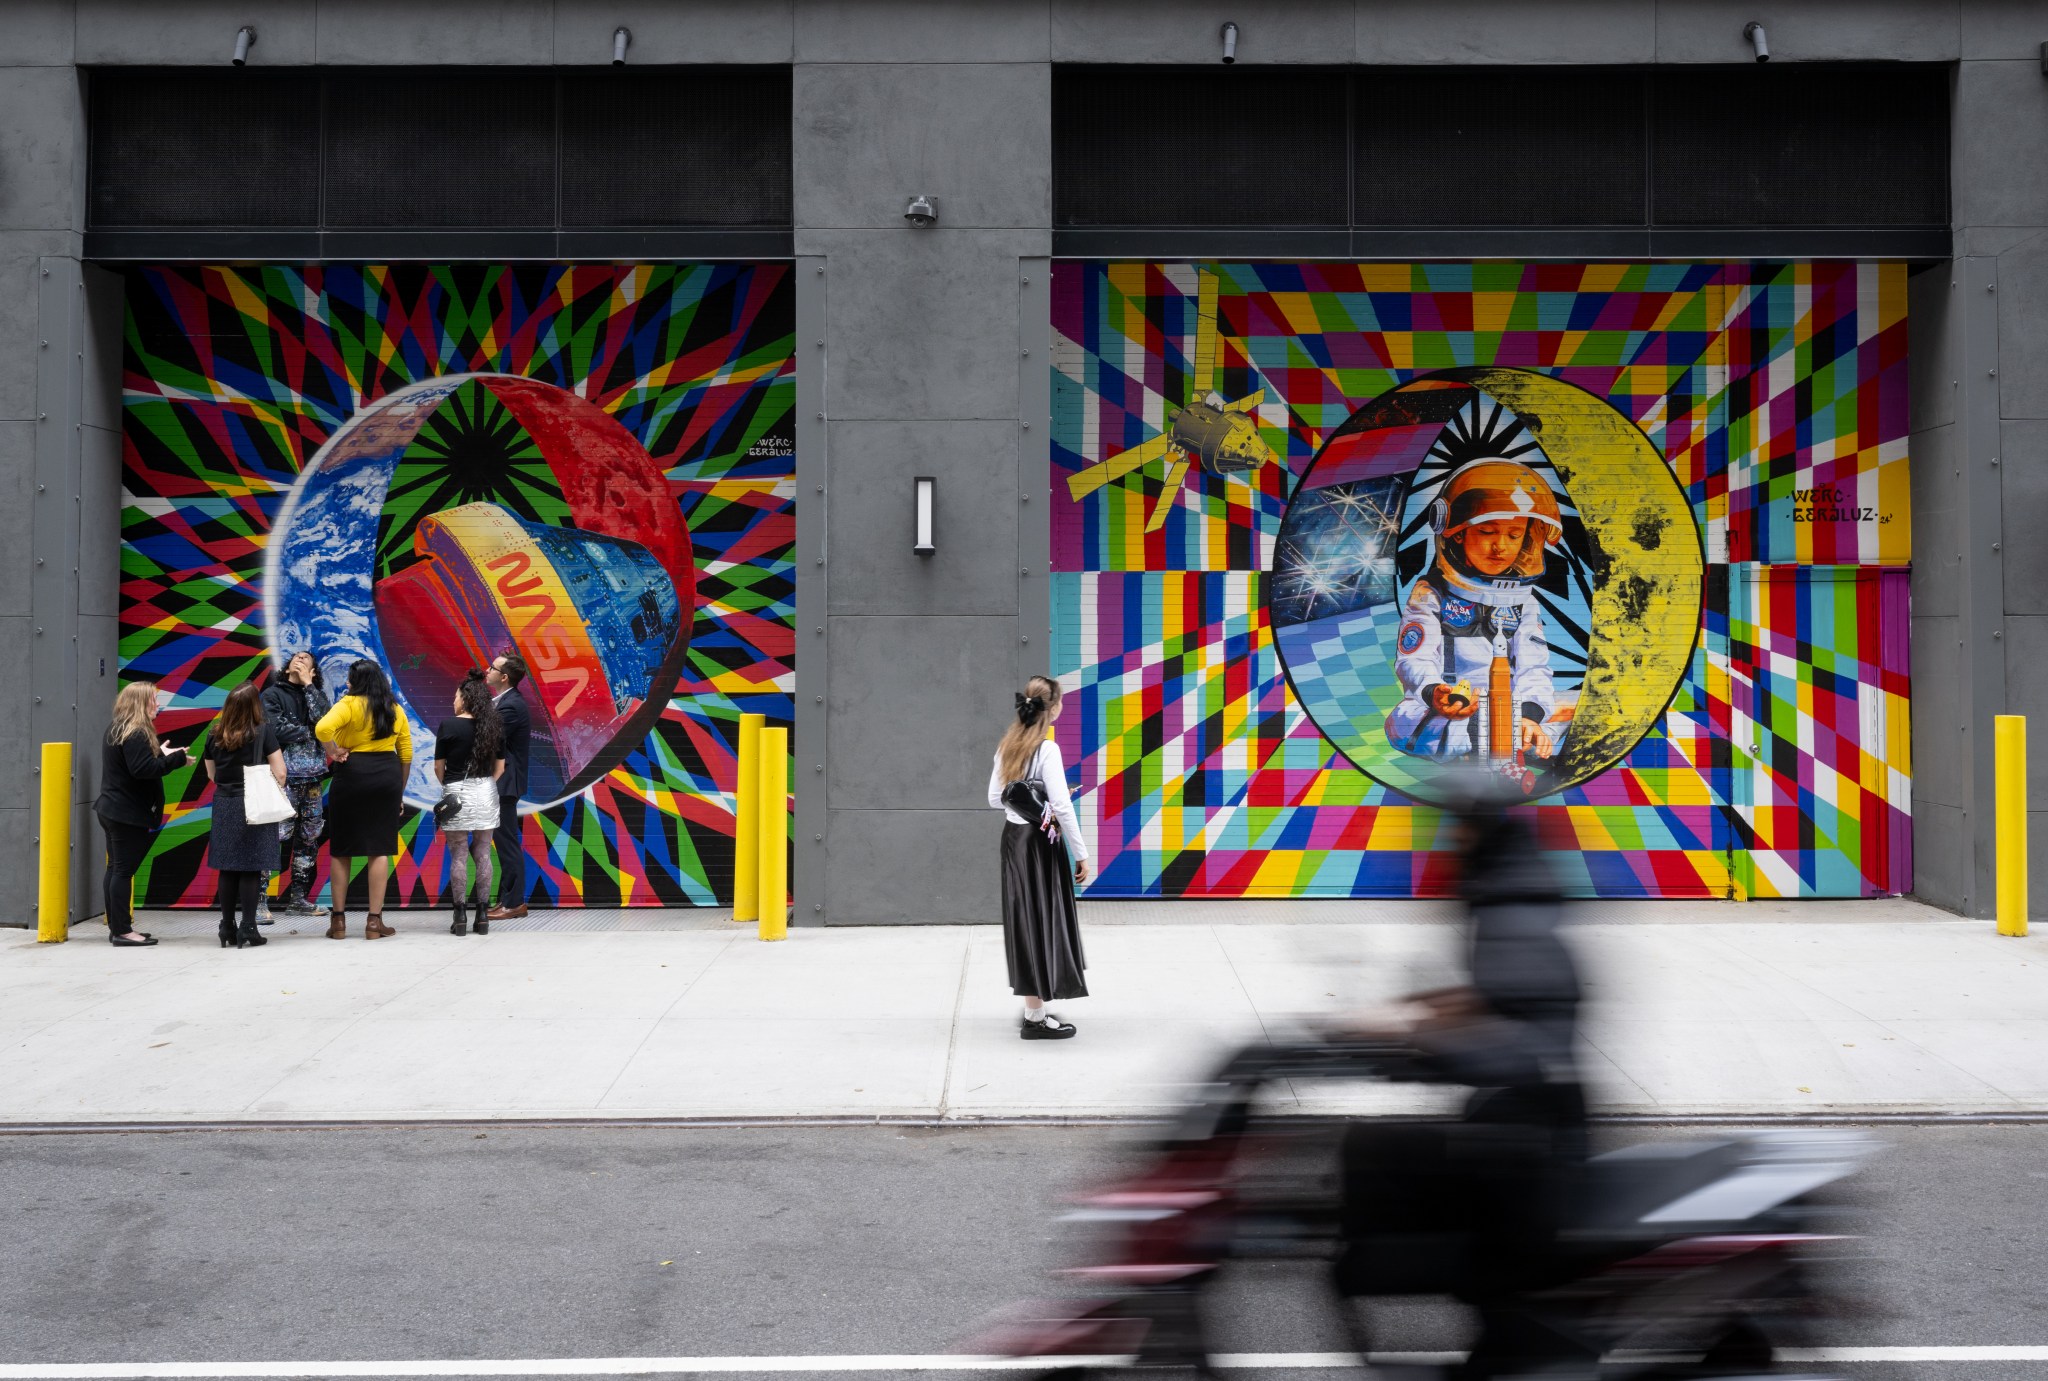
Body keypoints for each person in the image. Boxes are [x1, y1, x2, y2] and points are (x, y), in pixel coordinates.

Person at [1332, 784, 1587, 1377]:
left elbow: (1516, 1045)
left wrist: (1418, 1048)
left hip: (1529, 1145)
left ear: (1484, 836)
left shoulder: (1512, 914)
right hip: (1522, 1125)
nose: (1451, 844)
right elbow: (1498, 1002)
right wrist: (1411, 1014)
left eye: (1460, 832)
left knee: (1372, 1154)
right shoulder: (1513, 900)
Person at [1386, 459, 1570, 766]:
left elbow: (1534, 669)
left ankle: (1519, 735)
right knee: (1403, 723)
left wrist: (1528, 716)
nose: (1501, 546)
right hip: (1453, 705)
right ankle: (1513, 741)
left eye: (1514, 535)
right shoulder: (1431, 591)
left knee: (1582, 704)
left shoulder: (1524, 600)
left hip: (1509, 707)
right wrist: (1435, 693)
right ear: (1456, 532)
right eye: (1487, 531)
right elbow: (1413, 660)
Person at [986, 675, 1090, 1040]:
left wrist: (1028, 796)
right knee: (1041, 921)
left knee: (1023, 921)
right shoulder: (1047, 750)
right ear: (1054, 708)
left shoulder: (1007, 746)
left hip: (1014, 840)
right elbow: (1061, 806)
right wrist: (1082, 854)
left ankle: (1035, 1006)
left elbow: (994, 798)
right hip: (1040, 844)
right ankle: (1034, 1017)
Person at [315, 660, 412, 940]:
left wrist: (333, 751)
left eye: (349, 679)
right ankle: (373, 922)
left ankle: (338, 923)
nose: (346, 683)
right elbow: (406, 753)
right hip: (386, 776)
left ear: (357, 682)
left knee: (341, 849)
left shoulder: (348, 704)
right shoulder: (394, 709)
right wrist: (399, 792)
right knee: (379, 849)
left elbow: (322, 728)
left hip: (352, 775)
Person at [93, 681, 190, 948]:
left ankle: (118, 928)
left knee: (115, 869)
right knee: (123, 871)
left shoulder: (119, 729)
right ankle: (123, 931)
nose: (157, 705)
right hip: (126, 813)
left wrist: (160, 752)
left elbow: (135, 764)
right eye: (153, 700)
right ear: (140, 703)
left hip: (113, 809)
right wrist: (175, 759)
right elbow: (142, 770)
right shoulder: (134, 732)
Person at [202, 681, 286, 950]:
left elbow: (211, 775)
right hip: (255, 804)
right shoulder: (263, 732)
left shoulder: (213, 735)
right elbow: (281, 772)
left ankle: (227, 926)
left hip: (225, 804)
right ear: (254, 706)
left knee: (227, 867)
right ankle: (249, 928)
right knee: (251, 866)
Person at [260, 650, 333, 918]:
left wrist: (310, 686)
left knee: (309, 839)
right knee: (274, 837)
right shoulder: (272, 694)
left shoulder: (315, 694)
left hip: (313, 780)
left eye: (306, 658)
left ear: (313, 670)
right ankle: (260, 902)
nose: (299, 659)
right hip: (283, 780)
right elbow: (273, 730)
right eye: (296, 656)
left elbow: (327, 720)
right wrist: (311, 731)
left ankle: (298, 899)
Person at [434, 671, 505, 936]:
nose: (453, 700)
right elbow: (501, 766)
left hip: (456, 793)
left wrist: (450, 787)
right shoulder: (494, 725)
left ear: (464, 699)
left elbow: (438, 767)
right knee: (484, 854)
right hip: (486, 791)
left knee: (459, 854)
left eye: (455, 696)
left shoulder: (448, 726)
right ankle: (483, 916)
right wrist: (486, 784)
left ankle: (460, 915)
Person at [483, 651, 532, 921]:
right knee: (503, 843)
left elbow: (489, 737)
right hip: (501, 783)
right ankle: (507, 898)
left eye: (492, 668)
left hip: (505, 783)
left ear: (504, 677)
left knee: (507, 843)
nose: (486, 670)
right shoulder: (503, 701)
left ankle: (514, 903)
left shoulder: (511, 706)